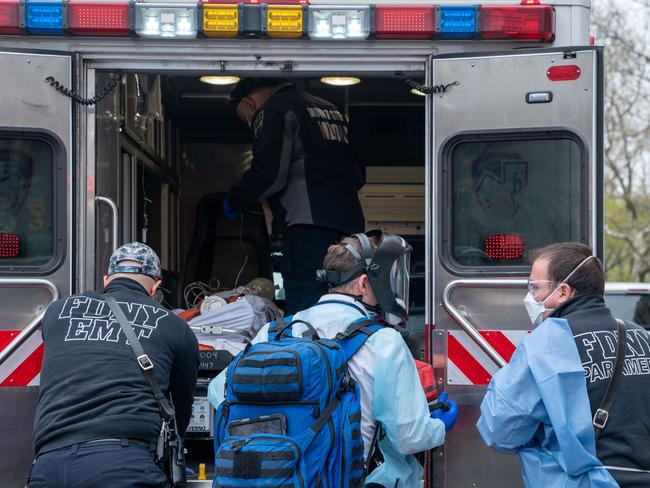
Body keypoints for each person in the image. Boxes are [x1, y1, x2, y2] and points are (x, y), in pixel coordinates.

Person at [209, 230, 458, 487]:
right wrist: (439, 426)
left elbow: (218, 393)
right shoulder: (383, 341)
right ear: (363, 283)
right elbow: (409, 437)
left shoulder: (274, 332)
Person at [477, 242, 650, 487]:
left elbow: (500, 430)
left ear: (563, 292)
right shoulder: (642, 336)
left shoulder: (545, 344)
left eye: (535, 287)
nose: (530, 297)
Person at [28, 242, 199, 488]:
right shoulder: (175, 327)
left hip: (48, 466)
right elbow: (181, 405)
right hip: (124, 467)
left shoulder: (57, 312)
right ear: (156, 287)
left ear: (107, 279)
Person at [224, 78, 366, 315]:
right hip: (350, 230)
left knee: (306, 304)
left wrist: (236, 199)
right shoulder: (331, 110)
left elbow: (269, 174)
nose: (249, 121)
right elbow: (358, 173)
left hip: (307, 228)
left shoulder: (273, 109)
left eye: (245, 117)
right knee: (347, 300)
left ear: (249, 104)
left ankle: (306, 351)